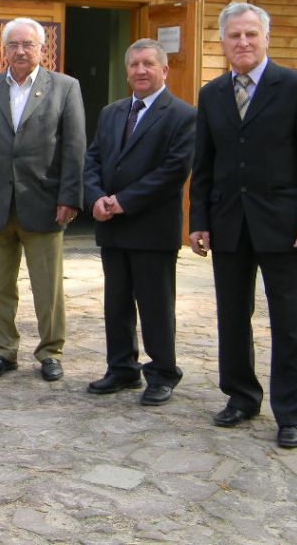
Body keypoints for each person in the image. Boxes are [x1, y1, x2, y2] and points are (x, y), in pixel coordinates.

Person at [189, 2, 297, 449]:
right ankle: (241, 396)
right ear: (223, 42)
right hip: (229, 224)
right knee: (232, 317)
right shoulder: (212, 93)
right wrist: (199, 220)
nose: (243, 42)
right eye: (234, 36)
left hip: (285, 227)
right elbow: (204, 164)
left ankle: (292, 412)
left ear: (266, 38)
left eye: (251, 34)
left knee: (291, 321)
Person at [0, 17, 86, 382]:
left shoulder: (64, 87)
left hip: (45, 202)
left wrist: (70, 197)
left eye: (28, 44)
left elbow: (74, 148)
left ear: (41, 49)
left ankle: (50, 351)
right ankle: (3, 350)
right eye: (13, 44)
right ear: (3, 48)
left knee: (48, 287)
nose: (19, 51)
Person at [83, 39, 196, 406]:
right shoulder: (112, 112)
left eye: (149, 64)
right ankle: (121, 369)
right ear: (127, 71)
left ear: (164, 70)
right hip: (112, 227)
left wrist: (122, 202)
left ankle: (162, 373)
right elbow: (93, 159)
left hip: (151, 228)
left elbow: (172, 171)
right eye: (134, 65)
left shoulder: (181, 115)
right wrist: (96, 196)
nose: (141, 71)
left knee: (154, 306)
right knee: (116, 303)